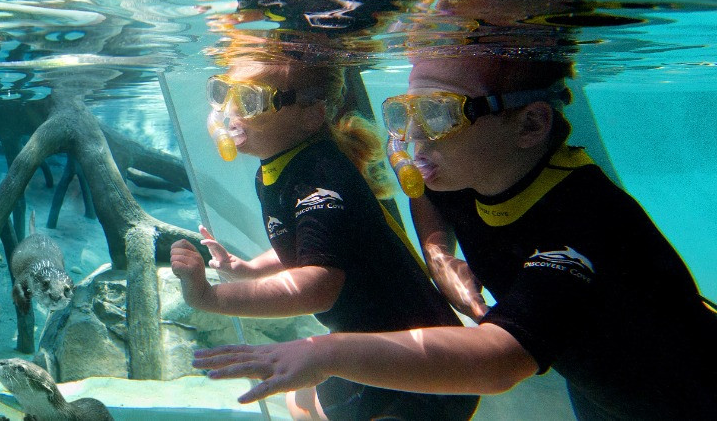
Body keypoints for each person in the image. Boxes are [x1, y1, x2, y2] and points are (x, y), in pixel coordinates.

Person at [191, 54, 717, 420]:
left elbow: (499, 360)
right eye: (406, 112)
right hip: (605, 389)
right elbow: (423, 194)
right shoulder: (471, 169)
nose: (413, 137)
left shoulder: (583, 220)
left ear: (531, 124)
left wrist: (326, 353)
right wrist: (439, 254)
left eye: (440, 113)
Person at [169, 52, 480, 420]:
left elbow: (317, 284)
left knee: (303, 405)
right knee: (298, 404)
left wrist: (209, 296)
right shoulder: (278, 168)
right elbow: (318, 245)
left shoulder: (319, 176)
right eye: (226, 95)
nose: (232, 113)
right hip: (370, 348)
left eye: (251, 100)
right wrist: (250, 268)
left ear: (311, 114)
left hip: (417, 369)